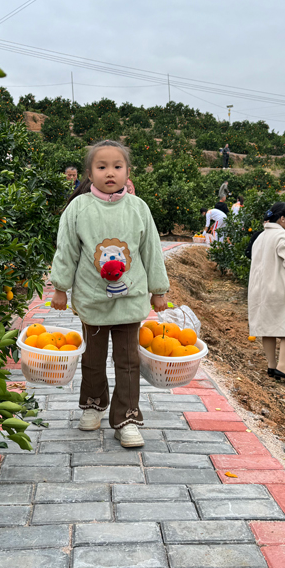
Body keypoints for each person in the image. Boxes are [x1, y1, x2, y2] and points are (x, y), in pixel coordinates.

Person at [51, 139, 170, 448]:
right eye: (101, 166)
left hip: (130, 299)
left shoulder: (138, 208)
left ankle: (126, 418)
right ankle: (93, 404)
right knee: (92, 358)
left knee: (128, 361)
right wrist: (60, 288)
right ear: (90, 173)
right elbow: (67, 250)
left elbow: (151, 251)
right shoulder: (79, 208)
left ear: (127, 171)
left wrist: (158, 290)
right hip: (92, 299)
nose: (110, 173)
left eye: (117, 166)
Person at [248, 202, 285, 382]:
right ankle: (283, 365)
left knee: (268, 327)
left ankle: (272, 365)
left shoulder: (260, 236)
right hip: (279, 287)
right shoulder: (282, 235)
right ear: (282, 218)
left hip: (261, 288)